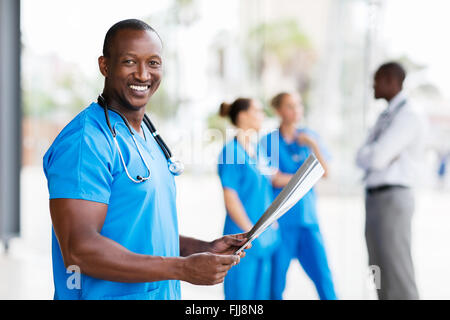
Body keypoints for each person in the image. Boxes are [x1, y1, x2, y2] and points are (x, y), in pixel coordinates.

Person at [43, 19, 250, 300]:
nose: (143, 74)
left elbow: (137, 234)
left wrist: (201, 249)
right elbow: (79, 250)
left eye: (153, 63)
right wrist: (182, 268)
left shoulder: (145, 137)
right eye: (129, 61)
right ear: (105, 66)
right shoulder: (86, 142)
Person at [356, 62, 427, 300]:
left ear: (391, 81)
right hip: (376, 197)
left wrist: (375, 153)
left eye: (376, 80)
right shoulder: (386, 115)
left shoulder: (409, 115)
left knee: (397, 269)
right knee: (378, 267)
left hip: (393, 197)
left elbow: (375, 158)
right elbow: (361, 156)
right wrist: (376, 153)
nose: (373, 85)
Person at [260, 92, 337, 300]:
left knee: (325, 280)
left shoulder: (310, 137)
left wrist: (312, 145)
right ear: (278, 111)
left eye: (298, 105)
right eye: (290, 106)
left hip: (308, 221)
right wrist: (309, 175)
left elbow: (326, 172)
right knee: (276, 285)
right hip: (283, 222)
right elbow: (273, 179)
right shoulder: (269, 141)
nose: (296, 111)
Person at [217, 98, 288, 300]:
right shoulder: (231, 152)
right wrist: (251, 233)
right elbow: (230, 199)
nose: (262, 115)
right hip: (243, 239)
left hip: (263, 237)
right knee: (241, 298)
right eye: (257, 110)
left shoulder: (258, 150)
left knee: (261, 297)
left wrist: (305, 176)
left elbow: (273, 178)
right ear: (242, 116)